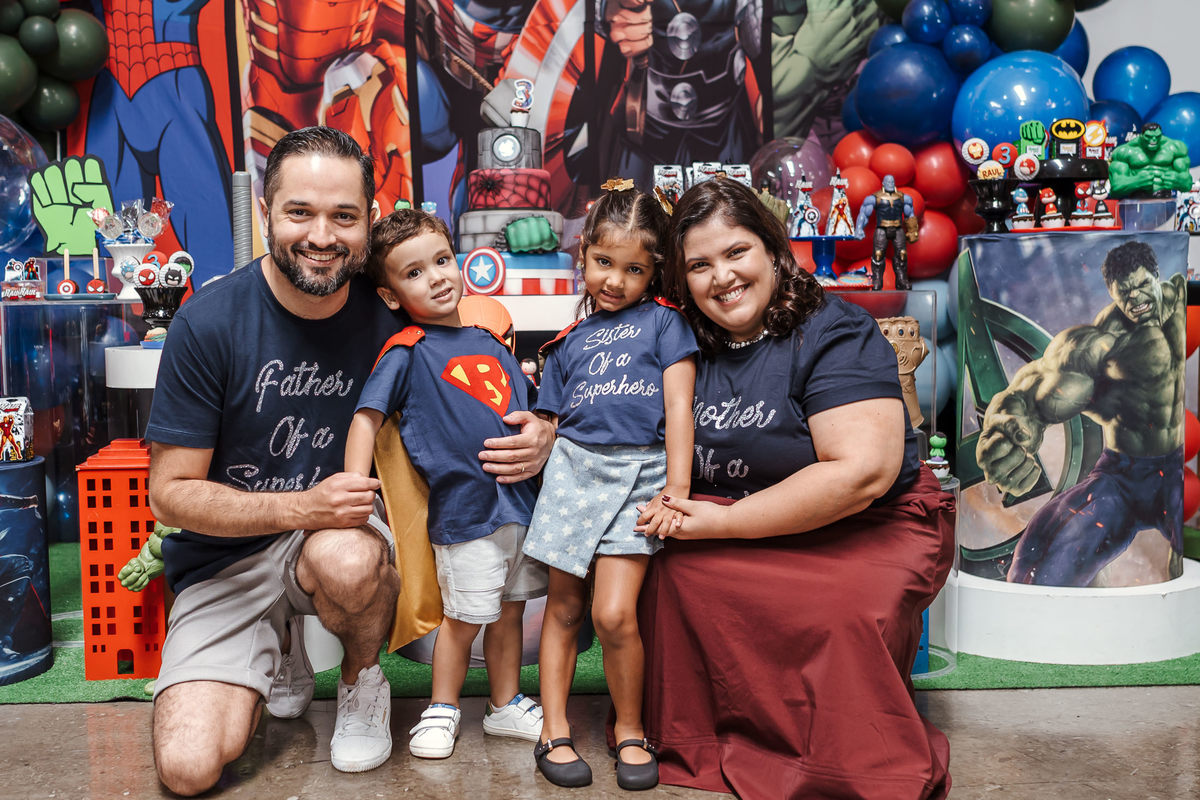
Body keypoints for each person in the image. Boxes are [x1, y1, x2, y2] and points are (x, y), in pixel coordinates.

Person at [145, 126, 553, 796]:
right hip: (225, 555)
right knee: (189, 769)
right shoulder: (209, 321)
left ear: (368, 221)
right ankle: (277, 650)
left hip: (343, 540)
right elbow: (170, 495)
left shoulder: (395, 306)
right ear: (266, 214)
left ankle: (362, 679)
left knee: (349, 557)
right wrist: (302, 505)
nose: (322, 236)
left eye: (343, 216)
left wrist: (539, 428)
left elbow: (486, 366)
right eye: (300, 212)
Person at [636, 177, 954, 798]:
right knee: (666, 571)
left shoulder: (834, 330)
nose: (721, 277)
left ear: (773, 250)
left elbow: (862, 472)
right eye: (699, 265)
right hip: (738, 522)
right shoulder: (678, 343)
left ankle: (845, 761)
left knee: (840, 609)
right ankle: (710, 742)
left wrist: (723, 523)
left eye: (735, 253)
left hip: (865, 523)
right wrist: (543, 427)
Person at [343, 209, 548, 759]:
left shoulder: (493, 344)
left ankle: (505, 705)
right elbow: (366, 418)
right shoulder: (406, 351)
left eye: (441, 260)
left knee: (509, 613)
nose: (436, 277)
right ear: (390, 295)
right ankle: (443, 707)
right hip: (464, 514)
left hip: (518, 509)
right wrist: (352, 489)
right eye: (413, 272)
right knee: (462, 620)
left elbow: (529, 420)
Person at [523, 182, 698, 790]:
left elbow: (680, 412)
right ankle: (554, 728)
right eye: (604, 263)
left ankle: (630, 728)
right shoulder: (565, 343)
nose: (616, 281)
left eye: (634, 270)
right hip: (573, 473)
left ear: (655, 272)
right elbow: (550, 422)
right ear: (584, 257)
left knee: (617, 613)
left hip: (641, 475)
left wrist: (677, 486)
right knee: (564, 609)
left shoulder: (667, 326)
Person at [976, 240, 1185, 586]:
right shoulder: (1105, 342)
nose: (1136, 300)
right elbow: (1033, 389)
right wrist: (1006, 429)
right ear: (1112, 293)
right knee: (1038, 556)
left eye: (1142, 285)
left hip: (1174, 473)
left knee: (1182, 575)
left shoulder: (1180, 300)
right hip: (1125, 476)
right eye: (1125, 293)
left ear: (1156, 275)